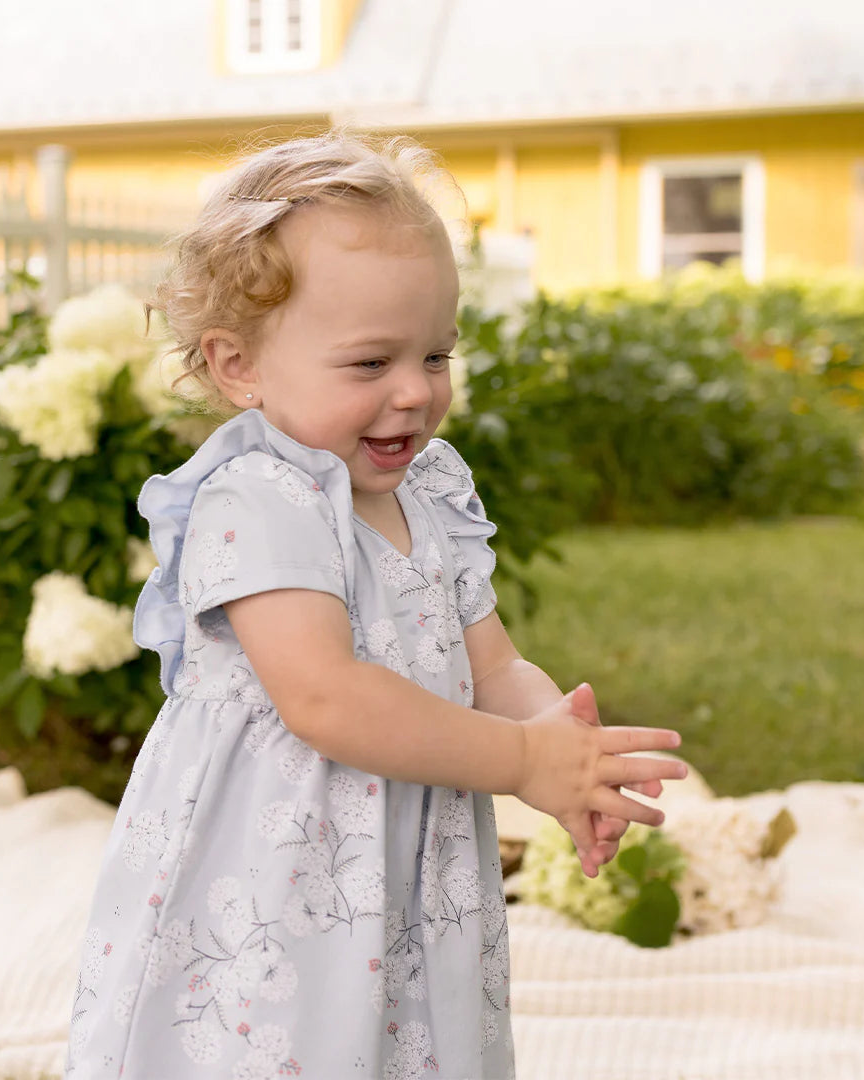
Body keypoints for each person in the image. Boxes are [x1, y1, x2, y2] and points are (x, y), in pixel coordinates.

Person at [65, 130, 686, 1080]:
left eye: (435, 354)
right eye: (369, 365)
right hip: (278, 872)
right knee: (278, 1043)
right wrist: (520, 760)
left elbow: (494, 667)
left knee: (408, 1031)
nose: (414, 393)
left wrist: (563, 746)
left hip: (407, 850)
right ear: (240, 366)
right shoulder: (259, 498)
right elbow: (326, 698)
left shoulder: (430, 489)